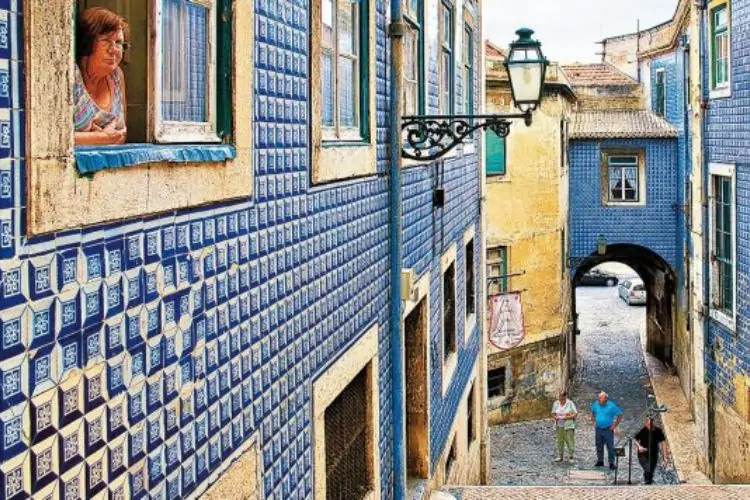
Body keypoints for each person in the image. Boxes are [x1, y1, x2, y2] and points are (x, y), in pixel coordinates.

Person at [74, 7, 129, 145]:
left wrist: (109, 137)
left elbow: (122, 133)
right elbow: (51, 138)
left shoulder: (117, 76)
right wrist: (101, 138)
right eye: (105, 41)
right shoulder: (70, 75)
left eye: (118, 43)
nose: (114, 50)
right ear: (87, 42)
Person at [590, 391, 623, 469]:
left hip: (608, 429)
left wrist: (614, 425)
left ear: (606, 399)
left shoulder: (611, 405)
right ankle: (600, 460)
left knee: (610, 446)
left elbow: (620, 415)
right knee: (599, 445)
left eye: (601, 399)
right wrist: (593, 421)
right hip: (598, 428)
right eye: (599, 399)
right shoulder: (596, 403)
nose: (599, 400)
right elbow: (592, 411)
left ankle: (611, 462)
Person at [634, 416, 669, 484]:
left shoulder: (658, 431)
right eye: (648, 424)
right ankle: (648, 481)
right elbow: (635, 439)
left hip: (654, 454)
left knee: (651, 471)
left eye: (651, 424)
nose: (650, 426)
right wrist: (639, 446)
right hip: (642, 454)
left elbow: (663, 444)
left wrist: (665, 457)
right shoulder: (643, 430)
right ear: (645, 423)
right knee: (648, 469)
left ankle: (648, 483)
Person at [551, 391, 577, 462]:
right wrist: (555, 417)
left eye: (562, 398)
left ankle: (571, 457)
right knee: (559, 441)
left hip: (568, 425)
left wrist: (567, 417)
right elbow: (553, 413)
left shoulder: (570, 403)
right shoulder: (556, 403)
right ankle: (560, 456)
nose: (561, 400)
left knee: (569, 441)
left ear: (565, 397)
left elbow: (575, 414)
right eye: (560, 398)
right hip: (559, 425)